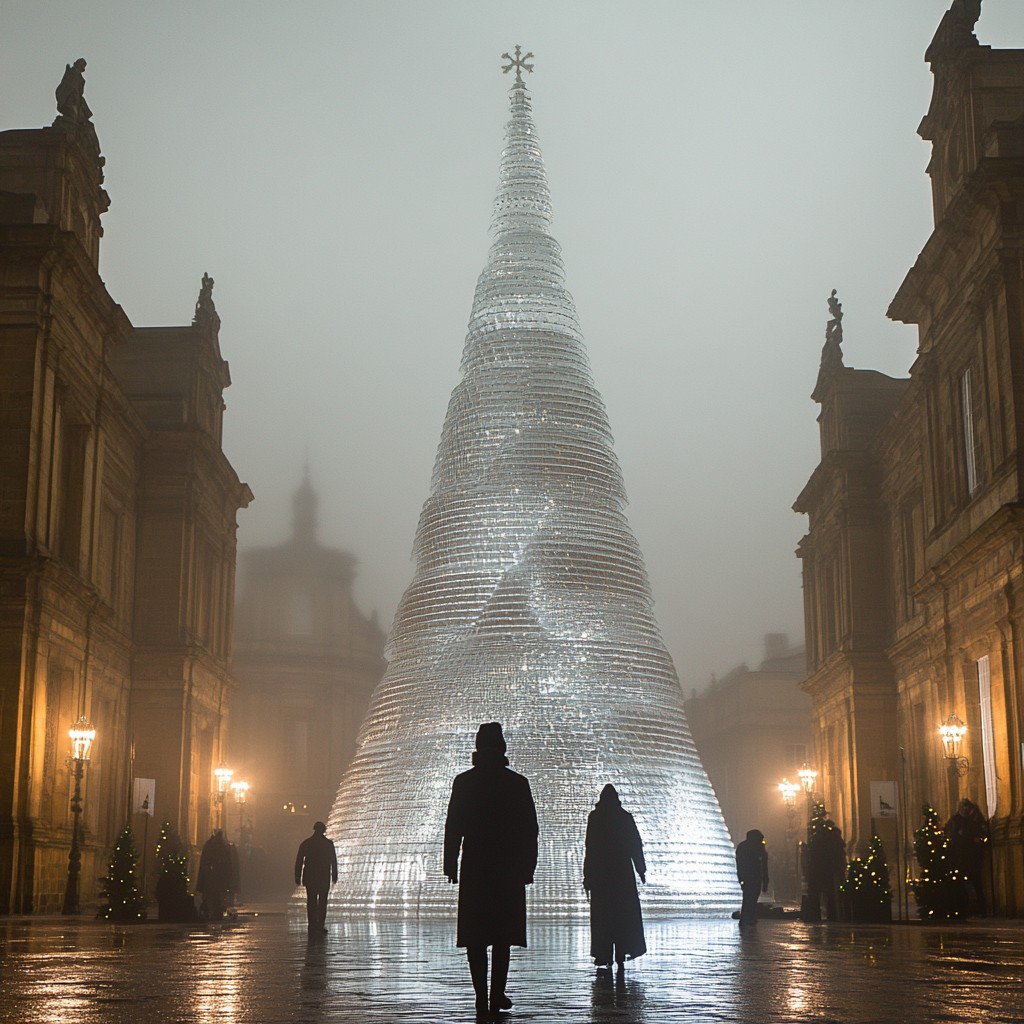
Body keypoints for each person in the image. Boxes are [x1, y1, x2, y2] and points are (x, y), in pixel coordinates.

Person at [444, 722, 538, 1018]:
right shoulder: (517, 783)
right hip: (507, 867)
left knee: (476, 936)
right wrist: (528, 866)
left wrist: (450, 863)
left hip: (475, 865)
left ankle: (480, 996)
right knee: (501, 935)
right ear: (503, 748)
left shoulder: (464, 782)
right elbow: (530, 829)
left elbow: (453, 826)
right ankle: (497, 992)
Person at [583, 784, 647, 968]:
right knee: (623, 915)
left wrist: (588, 875)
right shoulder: (624, 818)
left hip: (601, 874)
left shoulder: (595, 818)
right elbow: (636, 845)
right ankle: (622, 951)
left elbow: (590, 848)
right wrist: (641, 870)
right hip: (622, 874)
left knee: (603, 916)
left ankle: (604, 954)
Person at [945, 798, 990, 915]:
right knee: (963, 885)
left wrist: (979, 841)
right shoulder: (957, 820)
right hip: (961, 857)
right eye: (963, 807)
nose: (965, 809)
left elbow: (982, 835)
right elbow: (952, 835)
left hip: (973, 857)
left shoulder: (975, 820)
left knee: (976, 884)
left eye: (967, 807)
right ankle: (963, 908)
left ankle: (980, 909)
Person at [295, 820, 338, 934]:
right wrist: (334, 874)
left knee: (312, 901)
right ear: (323, 830)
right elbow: (333, 861)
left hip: (310, 876)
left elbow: (299, 860)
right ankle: (320, 924)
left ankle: (312, 924)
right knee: (323, 901)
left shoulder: (306, 843)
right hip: (323, 876)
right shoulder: (328, 844)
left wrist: (297, 875)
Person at [805, 817, 846, 921]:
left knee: (816, 894)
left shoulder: (817, 838)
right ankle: (833, 915)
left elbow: (812, 855)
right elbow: (839, 854)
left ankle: (815, 916)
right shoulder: (835, 839)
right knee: (831, 894)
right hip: (830, 870)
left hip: (817, 869)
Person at [197, 829, 235, 921]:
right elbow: (228, 863)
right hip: (218, 876)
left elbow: (205, 860)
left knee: (212, 895)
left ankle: (211, 912)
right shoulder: (223, 846)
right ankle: (215, 912)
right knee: (217, 895)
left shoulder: (210, 845)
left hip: (212, 875)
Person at [735, 829, 769, 925]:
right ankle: (748, 917)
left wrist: (740, 877)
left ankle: (747, 917)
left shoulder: (742, 847)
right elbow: (763, 865)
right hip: (754, 876)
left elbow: (739, 863)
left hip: (747, 876)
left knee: (748, 897)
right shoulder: (758, 848)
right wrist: (765, 880)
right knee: (751, 897)